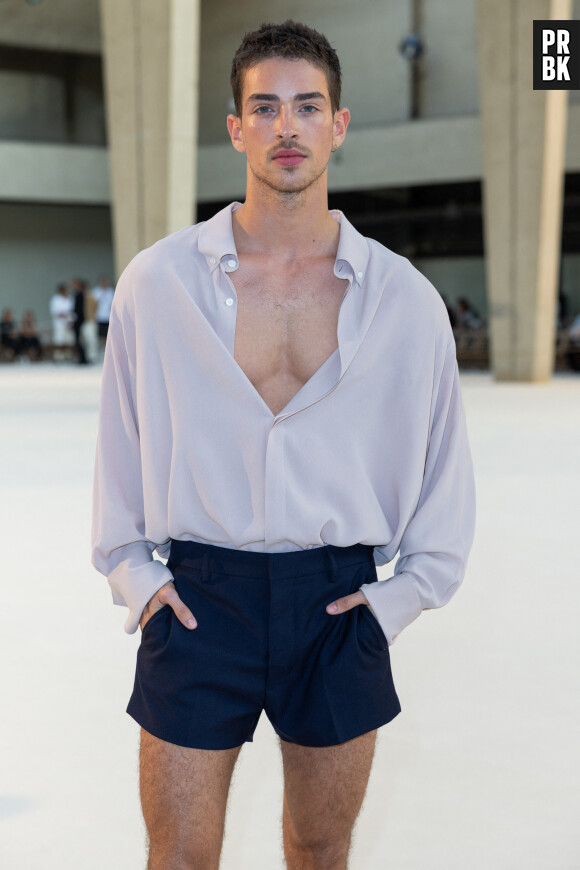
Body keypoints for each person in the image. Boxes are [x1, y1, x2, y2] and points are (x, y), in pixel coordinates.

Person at [92, 20, 476, 869]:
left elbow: (446, 479)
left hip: (337, 604)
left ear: (339, 124)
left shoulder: (404, 302)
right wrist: (140, 579)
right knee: (180, 853)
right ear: (236, 128)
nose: (286, 126)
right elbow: (119, 454)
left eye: (308, 106)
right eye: (264, 107)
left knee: (319, 847)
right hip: (199, 597)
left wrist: (393, 605)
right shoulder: (158, 285)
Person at [49, 283, 74, 357]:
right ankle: (59, 356)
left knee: (69, 340)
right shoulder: (55, 299)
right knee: (59, 340)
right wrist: (64, 315)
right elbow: (55, 312)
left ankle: (68, 355)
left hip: (69, 323)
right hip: (59, 323)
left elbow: (72, 311)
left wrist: (69, 319)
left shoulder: (70, 298)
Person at [91, 275, 115, 345]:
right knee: (102, 336)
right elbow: (92, 305)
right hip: (100, 316)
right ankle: (103, 350)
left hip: (109, 316)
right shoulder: (96, 291)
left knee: (109, 335)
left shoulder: (110, 291)